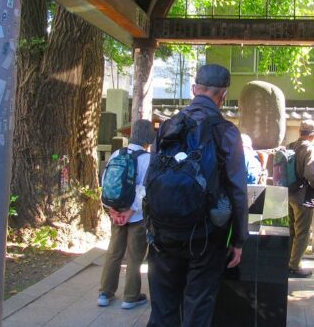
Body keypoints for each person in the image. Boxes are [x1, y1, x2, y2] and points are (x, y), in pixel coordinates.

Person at [146, 64, 248, 327]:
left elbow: (151, 176)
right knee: (198, 305)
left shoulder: (168, 126)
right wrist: (238, 239)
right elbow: (237, 189)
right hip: (206, 235)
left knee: (163, 308)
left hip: (163, 232)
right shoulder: (226, 131)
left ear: (194, 89)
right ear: (223, 95)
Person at [98, 119, 155, 309]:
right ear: (148, 137)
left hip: (116, 212)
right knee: (134, 256)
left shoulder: (117, 154)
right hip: (136, 216)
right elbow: (144, 190)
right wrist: (131, 212)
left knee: (114, 252)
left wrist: (112, 210)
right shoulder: (148, 159)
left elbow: (107, 183)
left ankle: (105, 293)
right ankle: (130, 297)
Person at [287, 119, 314, 278]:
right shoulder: (310, 149)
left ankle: (287, 262)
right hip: (303, 196)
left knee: (291, 231)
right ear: (313, 134)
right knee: (302, 233)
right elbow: (311, 174)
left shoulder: (290, 146)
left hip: (289, 194)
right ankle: (294, 266)